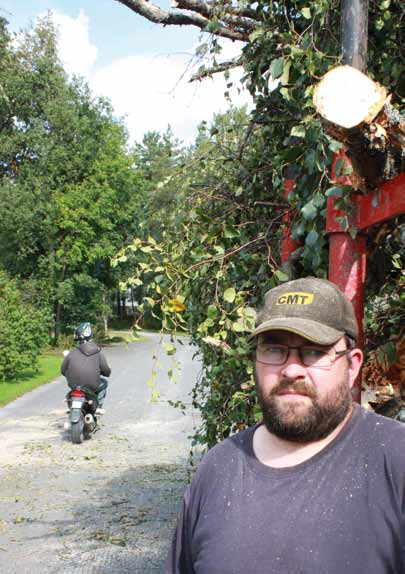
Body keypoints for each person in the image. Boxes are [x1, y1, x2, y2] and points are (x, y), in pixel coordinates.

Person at [167, 277, 405, 574]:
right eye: (275, 350)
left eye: (315, 351)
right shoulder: (217, 467)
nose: (291, 370)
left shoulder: (395, 459)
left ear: (353, 365)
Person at [61, 322, 111, 413]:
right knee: (104, 382)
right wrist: (104, 372)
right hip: (92, 386)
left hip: (74, 386)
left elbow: (63, 370)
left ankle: (72, 407)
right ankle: (98, 407)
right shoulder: (98, 352)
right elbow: (106, 371)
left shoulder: (71, 353)